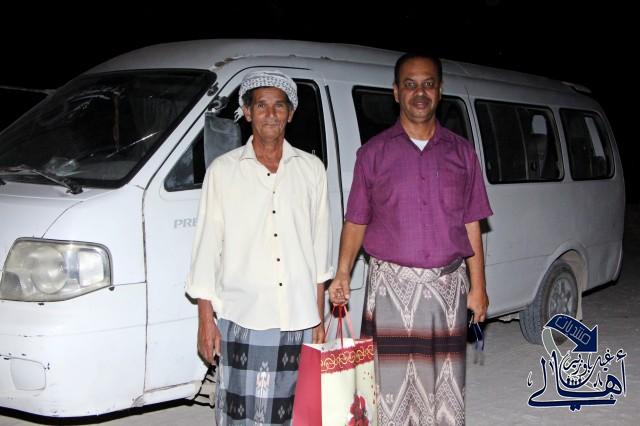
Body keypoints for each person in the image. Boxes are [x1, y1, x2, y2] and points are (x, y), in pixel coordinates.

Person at [328, 53, 492, 426]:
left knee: (443, 390)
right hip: (390, 292)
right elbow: (356, 220)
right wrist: (342, 273)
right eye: (410, 84)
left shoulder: (462, 153)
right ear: (396, 92)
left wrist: (479, 287)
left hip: (448, 293)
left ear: (440, 90)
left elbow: (472, 222)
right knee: (391, 393)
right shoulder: (372, 154)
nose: (420, 93)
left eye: (428, 84)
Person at [186, 70, 333, 425]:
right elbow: (207, 248)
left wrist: (317, 317)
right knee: (242, 415)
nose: (271, 114)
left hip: (299, 317)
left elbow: (320, 249)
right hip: (244, 315)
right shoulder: (223, 172)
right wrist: (206, 321)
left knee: (295, 414)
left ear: (290, 114)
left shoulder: (312, 169)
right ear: (248, 112)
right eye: (261, 105)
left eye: (279, 106)